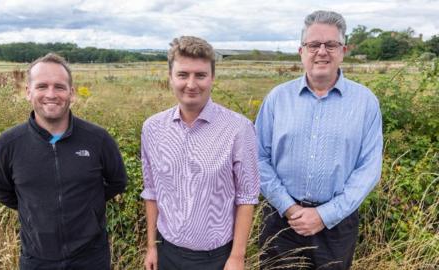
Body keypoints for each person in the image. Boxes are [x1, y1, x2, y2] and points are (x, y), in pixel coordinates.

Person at [255, 10, 383, 270]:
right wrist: (289, 207)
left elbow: (369, 169)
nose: (322, 51)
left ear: (343, 50)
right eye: (313, 44)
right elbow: (257, 157)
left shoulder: (365, 102)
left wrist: (325, 215)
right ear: (301, 50)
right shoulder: (277, 98)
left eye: (331, 44)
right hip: (281, 221)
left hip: (337, 225)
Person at [0, 53, 127, 270]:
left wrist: (88, 208)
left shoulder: (98, 139)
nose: (51, 94)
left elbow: (117, 182)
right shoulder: (9, 144)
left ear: (71, 93)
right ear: (28, 92)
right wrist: (38, 214)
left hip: (91, 259)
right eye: (42, 86)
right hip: (37, 259)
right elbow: (4, 192)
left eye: (60, 87)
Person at [141, 36, 260, 270]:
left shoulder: (239, 128)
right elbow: (152, 191)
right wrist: (152, 247)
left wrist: (237, 257)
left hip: (216, 258)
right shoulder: (152, 128)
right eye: (183, 75)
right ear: (170, 78)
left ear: (212, 78)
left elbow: (246, 197)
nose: (191, 84)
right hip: (167, 253)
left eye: (200, 75)